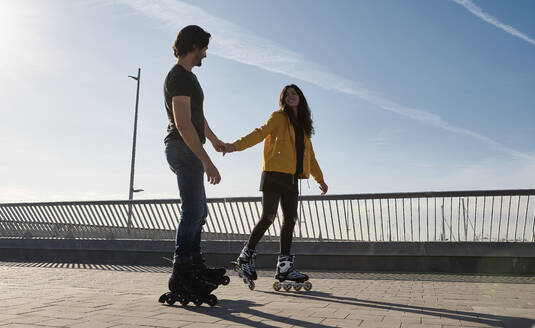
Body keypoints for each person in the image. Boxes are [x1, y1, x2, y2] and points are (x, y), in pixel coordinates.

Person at [222, 84, 328, 284]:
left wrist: (319, 179)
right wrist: (234, 146)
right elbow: (260, 133)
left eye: (294, 94)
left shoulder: (304, 127)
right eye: (286, 95)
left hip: (292, 178)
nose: (290, 97)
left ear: (300, 97)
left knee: (290, 220)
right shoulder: (278, 118)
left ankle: (284, 267)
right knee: (269, 216)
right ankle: (245, 257)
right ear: (283, 100)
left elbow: (310, 157)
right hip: (273, 174)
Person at [163, 25, 227, 295]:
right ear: (193, 47)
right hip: (183, 146)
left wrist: (212, 139)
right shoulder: (178, 76)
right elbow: (183, 123)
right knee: (191, 212)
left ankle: (195, 265)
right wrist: (206, 160)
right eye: (204, 49)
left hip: (190, 146)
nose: (205, 55)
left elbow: (198, 118)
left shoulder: (189, 77)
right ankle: (181, 273)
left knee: (200, 212)